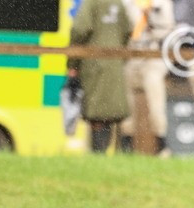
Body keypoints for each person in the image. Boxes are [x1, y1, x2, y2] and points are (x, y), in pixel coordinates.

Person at [71, 0, 133, 154]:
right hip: (115, 63)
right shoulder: (118, 3)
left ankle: (98, 152)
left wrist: (72, 62)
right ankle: (113, 152)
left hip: (93, 63)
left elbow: (79, 29)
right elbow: (128, 29)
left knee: (96, 113)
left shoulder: (91, 3)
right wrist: (120, 52)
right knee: (112, 112)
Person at [121, 0, 175, 156]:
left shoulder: (162, 4)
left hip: (153, 58)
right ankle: (126, 146)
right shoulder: (126, 3)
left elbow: (166, 31)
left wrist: (150, 16)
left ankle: (162, 146)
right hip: (130, 56)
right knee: (127, 104)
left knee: (156, 103)